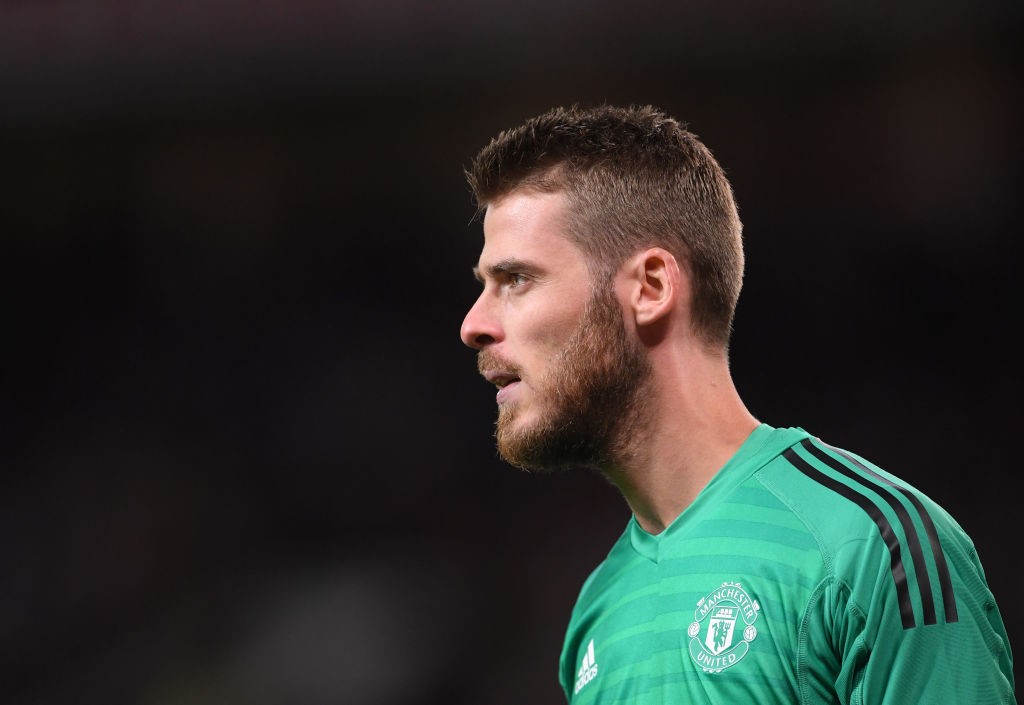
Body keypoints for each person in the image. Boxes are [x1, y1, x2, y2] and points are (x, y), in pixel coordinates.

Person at [458, 104, 1016, 704]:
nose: (474, 324)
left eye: (516, 279)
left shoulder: (870, 548)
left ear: (649, 288)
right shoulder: (598, 612)